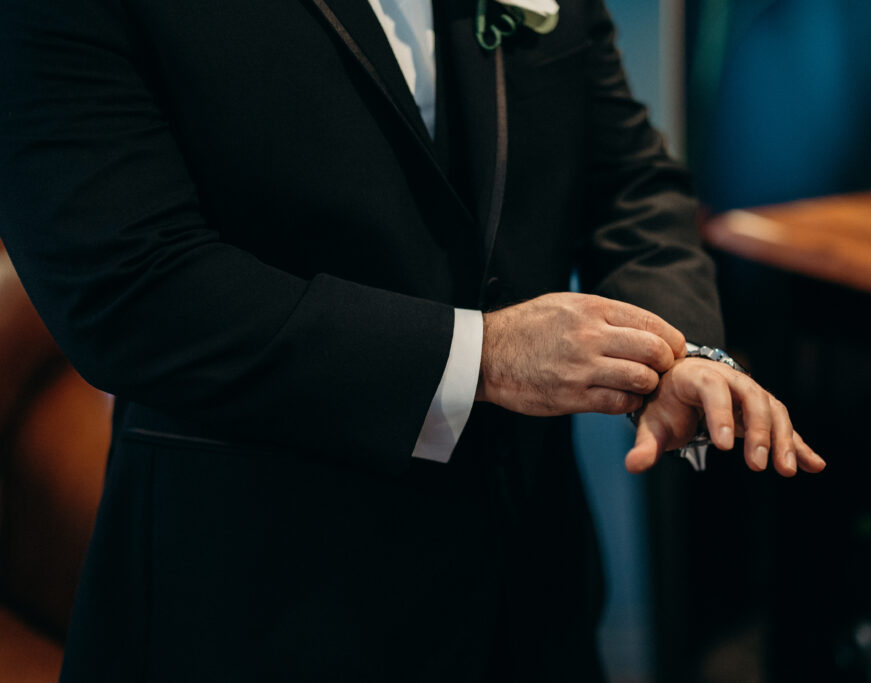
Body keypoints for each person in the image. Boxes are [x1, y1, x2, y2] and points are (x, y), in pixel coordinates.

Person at [0, 0, 824, 680]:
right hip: (258, 604)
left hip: (529, 593)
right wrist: (483, 356)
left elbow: (631, 181)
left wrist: (676, 353)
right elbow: (131, 289)